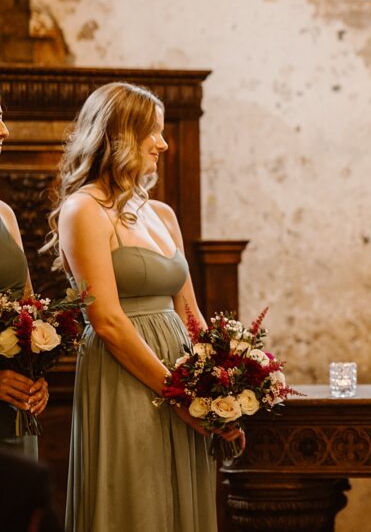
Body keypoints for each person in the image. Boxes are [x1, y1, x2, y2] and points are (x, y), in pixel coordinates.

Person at [44, 82, 237, 532]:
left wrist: (221, 392)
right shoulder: (83, 210)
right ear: (119, 134)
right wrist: (179, 396)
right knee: (137, 499)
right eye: (153, 131)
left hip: (181, 373)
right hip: (126, 373)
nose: (164, 144)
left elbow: (191, 315)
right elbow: (107, 320)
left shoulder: (162, 214)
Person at [0, 100, 49, 458]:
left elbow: (28, 310)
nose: (4, 131)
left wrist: (37, 372)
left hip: (15, 404)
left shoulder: (5, 214)